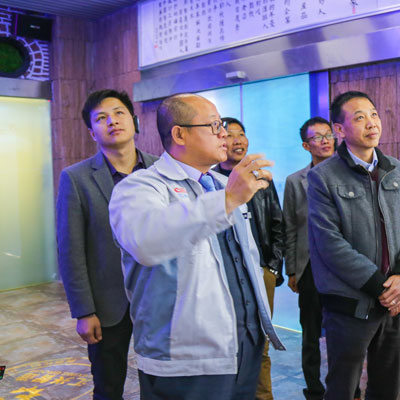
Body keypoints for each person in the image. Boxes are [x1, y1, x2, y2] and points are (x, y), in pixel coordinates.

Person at [108, 93, 284, 399]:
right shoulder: (139, 187)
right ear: (179, 134)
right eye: (215, 125)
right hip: (186, 358)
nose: (224, 134)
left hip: (244, 343)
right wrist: (228, 200)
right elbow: (145, 241)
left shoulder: (221, 184)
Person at [306, 91, 400, 399]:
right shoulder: (322, 177)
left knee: (387, 385)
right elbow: (329, 243)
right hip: (351, 303)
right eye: (359, 118)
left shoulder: (396, 169)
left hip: (395, 299)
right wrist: (381, 287)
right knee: (343, 386)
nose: (371, 123)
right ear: (340, 130)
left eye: (374, 114)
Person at [56, 89, 158, 400]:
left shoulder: (160, 170)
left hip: (158, 298)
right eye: (101, 118)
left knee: (161, 384)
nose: (112, 121)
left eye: (118, 113)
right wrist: (84, 311)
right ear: (92, 132)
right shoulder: (76, 178)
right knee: (108, 387)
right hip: (107, 305)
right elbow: (70, 250)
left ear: (133, 121)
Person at [284, 117, 362, 400]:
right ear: (306, 146)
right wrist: (292, 270)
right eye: (317, 137)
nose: (325, 141)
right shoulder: (296, 181)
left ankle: (351, 390)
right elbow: (290, 226)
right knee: (311, 335)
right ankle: (314, 391)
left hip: (345, 268)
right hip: (309, 268)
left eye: (328, 135)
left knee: (347, 334)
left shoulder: (350, 175)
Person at [212, 117, 284, 400]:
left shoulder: (261, 178)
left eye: (241, 134)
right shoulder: (210, 181)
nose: (237, 140)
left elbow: (277, 223)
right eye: (230, 135)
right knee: (228, 345)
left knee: (260, 345)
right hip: (227, 275)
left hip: (261, 271)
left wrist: (273, 267)